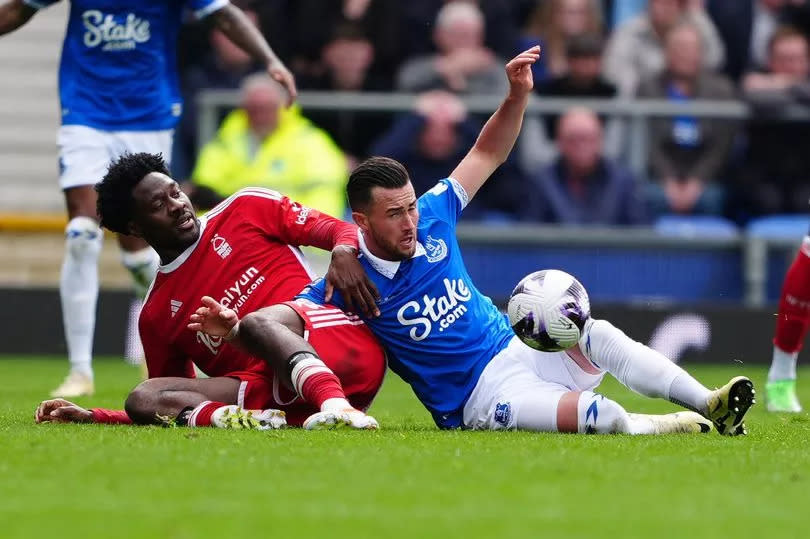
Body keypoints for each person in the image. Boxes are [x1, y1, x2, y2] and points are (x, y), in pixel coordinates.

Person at [194, 47, 756, 437]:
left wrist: (515, 96)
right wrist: (238, 328)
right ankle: (661, 427)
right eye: (394, 214)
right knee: (604, 420)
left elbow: (486, 153)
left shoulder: (435, 215)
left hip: (516, 350)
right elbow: (286, 321)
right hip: (479, 401)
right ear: (361, 224)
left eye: (411, 206)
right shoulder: (348, 283)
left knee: (597, 331)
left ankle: (705, 403)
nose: (410, 221)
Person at [0, 0, 297, 398]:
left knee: (140, 250)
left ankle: (150, 301)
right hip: (85, 112)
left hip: (149, 116)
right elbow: (18, 9)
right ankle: (79, 371)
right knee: (82, 235)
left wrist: (270, 59)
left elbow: (224, 13)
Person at [35, 152, 384, 430]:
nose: (176, 205)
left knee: (255, 324)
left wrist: (342, 251)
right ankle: (241, 421)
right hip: (275, 399)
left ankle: (336, 406)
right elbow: (173, 403)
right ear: (134, 227)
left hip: (339, 351)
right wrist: (96, 416)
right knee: (143, 397)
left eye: (175, 191)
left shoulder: (247, 208)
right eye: (158, 205)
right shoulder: (156, 313)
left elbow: (338, 228)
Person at [189, 74, 348, 217]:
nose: (261, 115)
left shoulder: (311, 143)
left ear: (282, 107)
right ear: (244, 109)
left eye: (267, 107)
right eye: (254, 108)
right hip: (235, 235)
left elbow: (326, 199)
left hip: (293, 237)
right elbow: (203, 195)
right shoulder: (224, 143)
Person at [638, 22, 736, 217]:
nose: (685, 54)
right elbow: (649, 143)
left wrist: (697, 182)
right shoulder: (649, 89)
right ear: (666, 52)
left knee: (712, 199)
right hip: (660, 178)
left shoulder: (721, 90)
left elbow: (720, 147)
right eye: (679, 48)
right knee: (649, 197)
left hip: (706, 178)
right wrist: (668, 181)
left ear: (701, 53)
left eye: (692, 48)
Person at [526, 107, 646, 225]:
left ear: (600, 140)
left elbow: (642, 233)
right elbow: (528, 235)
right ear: (559, 142)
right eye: (573, 139)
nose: (581, 146)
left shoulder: (623, 182)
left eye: (587, 139)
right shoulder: (541, 182)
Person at [602, 0, 725, 96]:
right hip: (640, 102)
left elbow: (715, 59)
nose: (663, 9)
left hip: (688, 98)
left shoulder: (693, 27)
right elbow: (613, 71)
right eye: (659, 2)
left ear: (679, 6)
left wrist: (697, 14)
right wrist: (649, 91)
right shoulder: (630, 31)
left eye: (670, 3)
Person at [396, 1, 507, 95]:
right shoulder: (421, 65)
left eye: (468, 35)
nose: (463, 41)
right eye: (456, 34)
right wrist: (444, 68)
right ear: (438, 36)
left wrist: (464, 87)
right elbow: (404, 82)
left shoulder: (492, 67)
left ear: (481, 36)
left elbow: (506, 95)